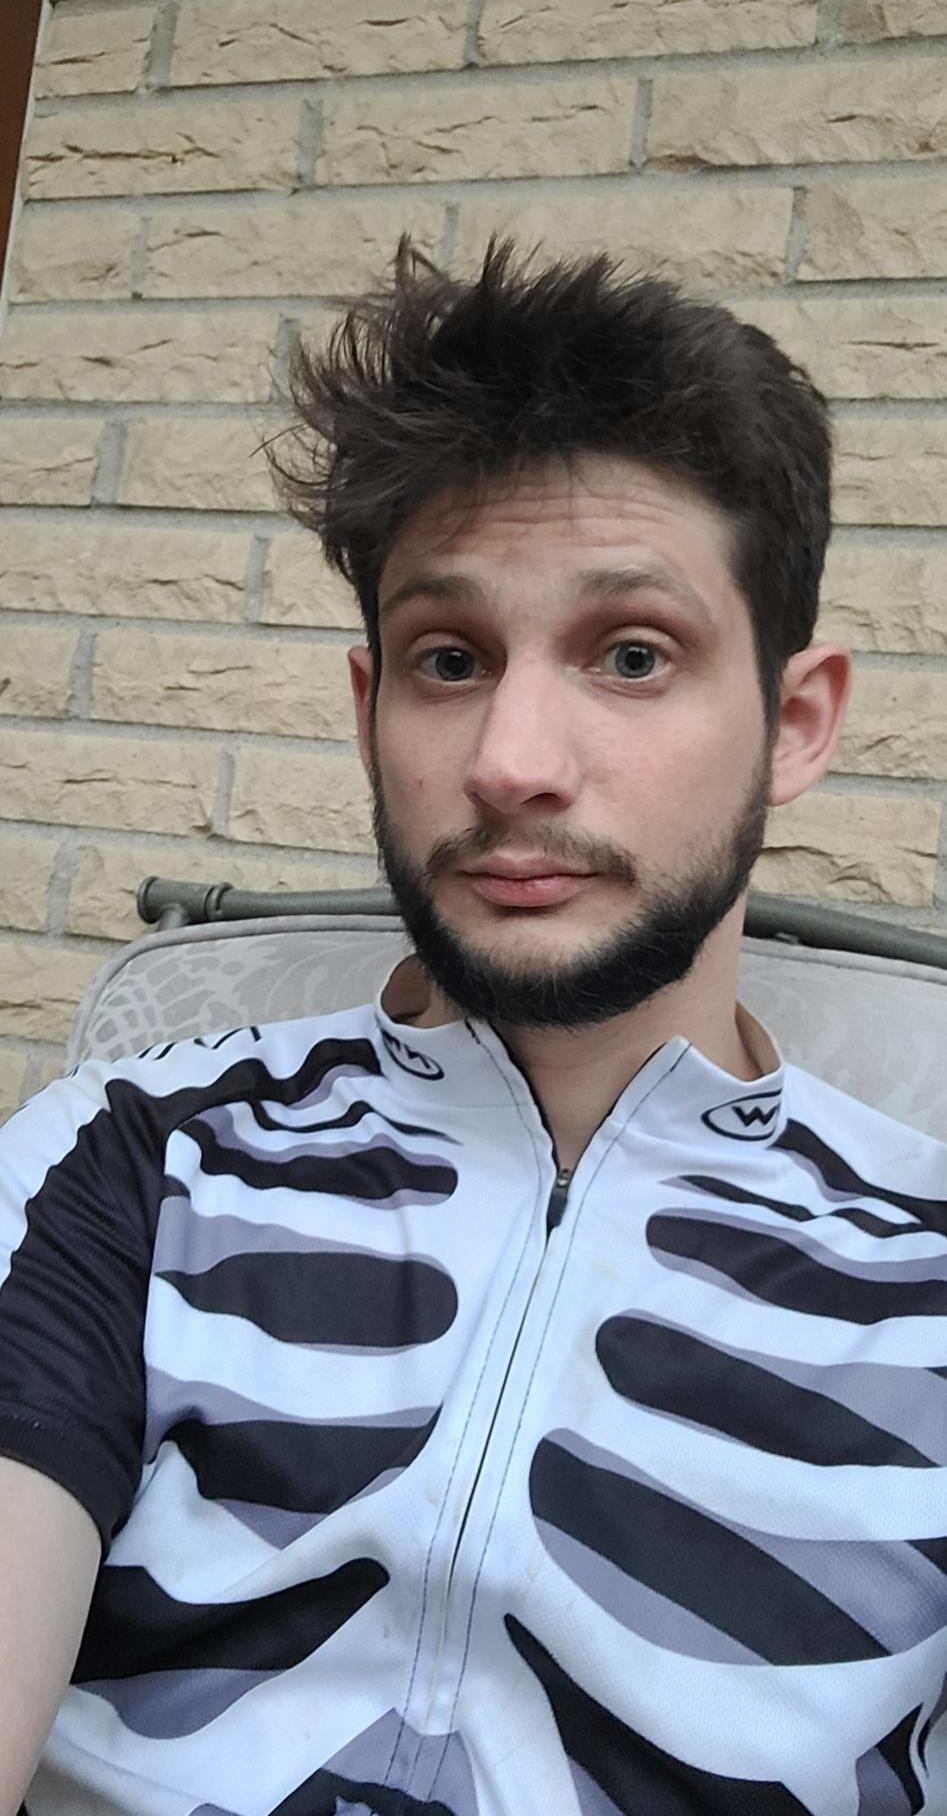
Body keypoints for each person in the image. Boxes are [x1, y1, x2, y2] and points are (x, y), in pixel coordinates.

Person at [1, 239, 944, 1816]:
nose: (511, 761)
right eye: (449, 660)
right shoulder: (135, 1161)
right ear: (371, 706)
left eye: (631, 655)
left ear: (794, 723)